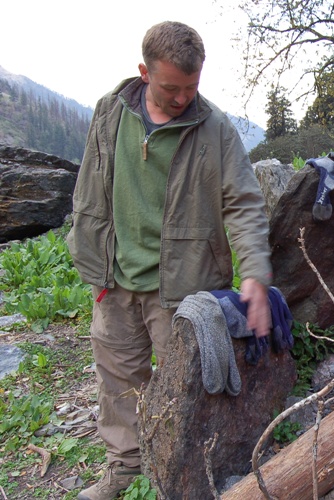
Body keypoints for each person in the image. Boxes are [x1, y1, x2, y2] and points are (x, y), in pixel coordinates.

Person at [67, 21, 272, 500]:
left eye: (192, 87)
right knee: (118, 386)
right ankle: (124, 472)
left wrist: (256, 275)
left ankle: (191, 477)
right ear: (144, 73)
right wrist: (90, 261)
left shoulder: (215, 128)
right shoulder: (108, 114)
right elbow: (89, 188)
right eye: (170, 88)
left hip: (182, 288)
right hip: (114, 283)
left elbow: (243, 202)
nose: (182, 98)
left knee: (194, 392)